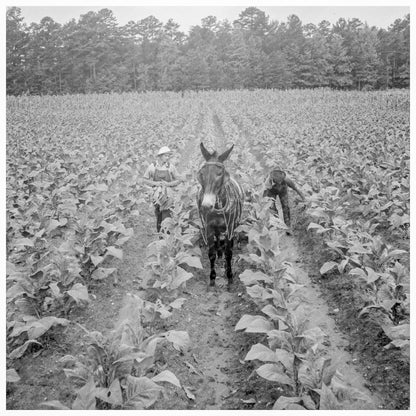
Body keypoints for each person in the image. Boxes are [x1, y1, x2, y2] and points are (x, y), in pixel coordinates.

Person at [143, 146, 182, 232]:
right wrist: (155, 183)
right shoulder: (152, 166)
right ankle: (160, 235)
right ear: (160, 156)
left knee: (166, 216)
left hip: (168, 197)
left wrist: (168, 184)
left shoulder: (170, 167)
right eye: (166, 156)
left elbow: (179, 179)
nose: (167, 158)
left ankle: (166, 235)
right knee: (159, 216)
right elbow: (144, 180)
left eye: (169, 156)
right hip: (156, 197)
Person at [263, 168, 305, 235]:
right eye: (278, 182)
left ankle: (287, 227)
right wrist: (267, 203)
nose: (279, 183)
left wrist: (304, 198)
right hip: (271, 192)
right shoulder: (268, 183)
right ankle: (275, 227)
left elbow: (296, 189)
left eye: (281, 181)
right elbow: (265, 195)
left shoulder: (286, 180)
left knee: (285, 207)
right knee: (272, 208)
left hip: (283, 190)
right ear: (274, 180)